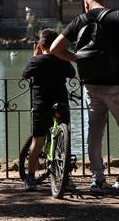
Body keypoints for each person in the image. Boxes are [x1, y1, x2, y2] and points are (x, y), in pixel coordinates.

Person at [49, 0, 119, 196]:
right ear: (104, 1)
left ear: (86, 4)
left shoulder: (79, 21)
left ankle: (97, 180)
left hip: (91, 85)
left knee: (95, 132)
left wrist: (77, 58)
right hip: (117, 84)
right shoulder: (118, 17)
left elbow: (54, 48)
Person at [21, 28, 76, 191]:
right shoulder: (63, 61)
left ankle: (30, 178)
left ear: (40, 44)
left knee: (37, 141)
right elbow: (72, 74)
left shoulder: (36, 61)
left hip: (41, 104)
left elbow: (24, 75)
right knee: (63, 140)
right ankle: (65, 178)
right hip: (61, 102)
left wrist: (35, 56)